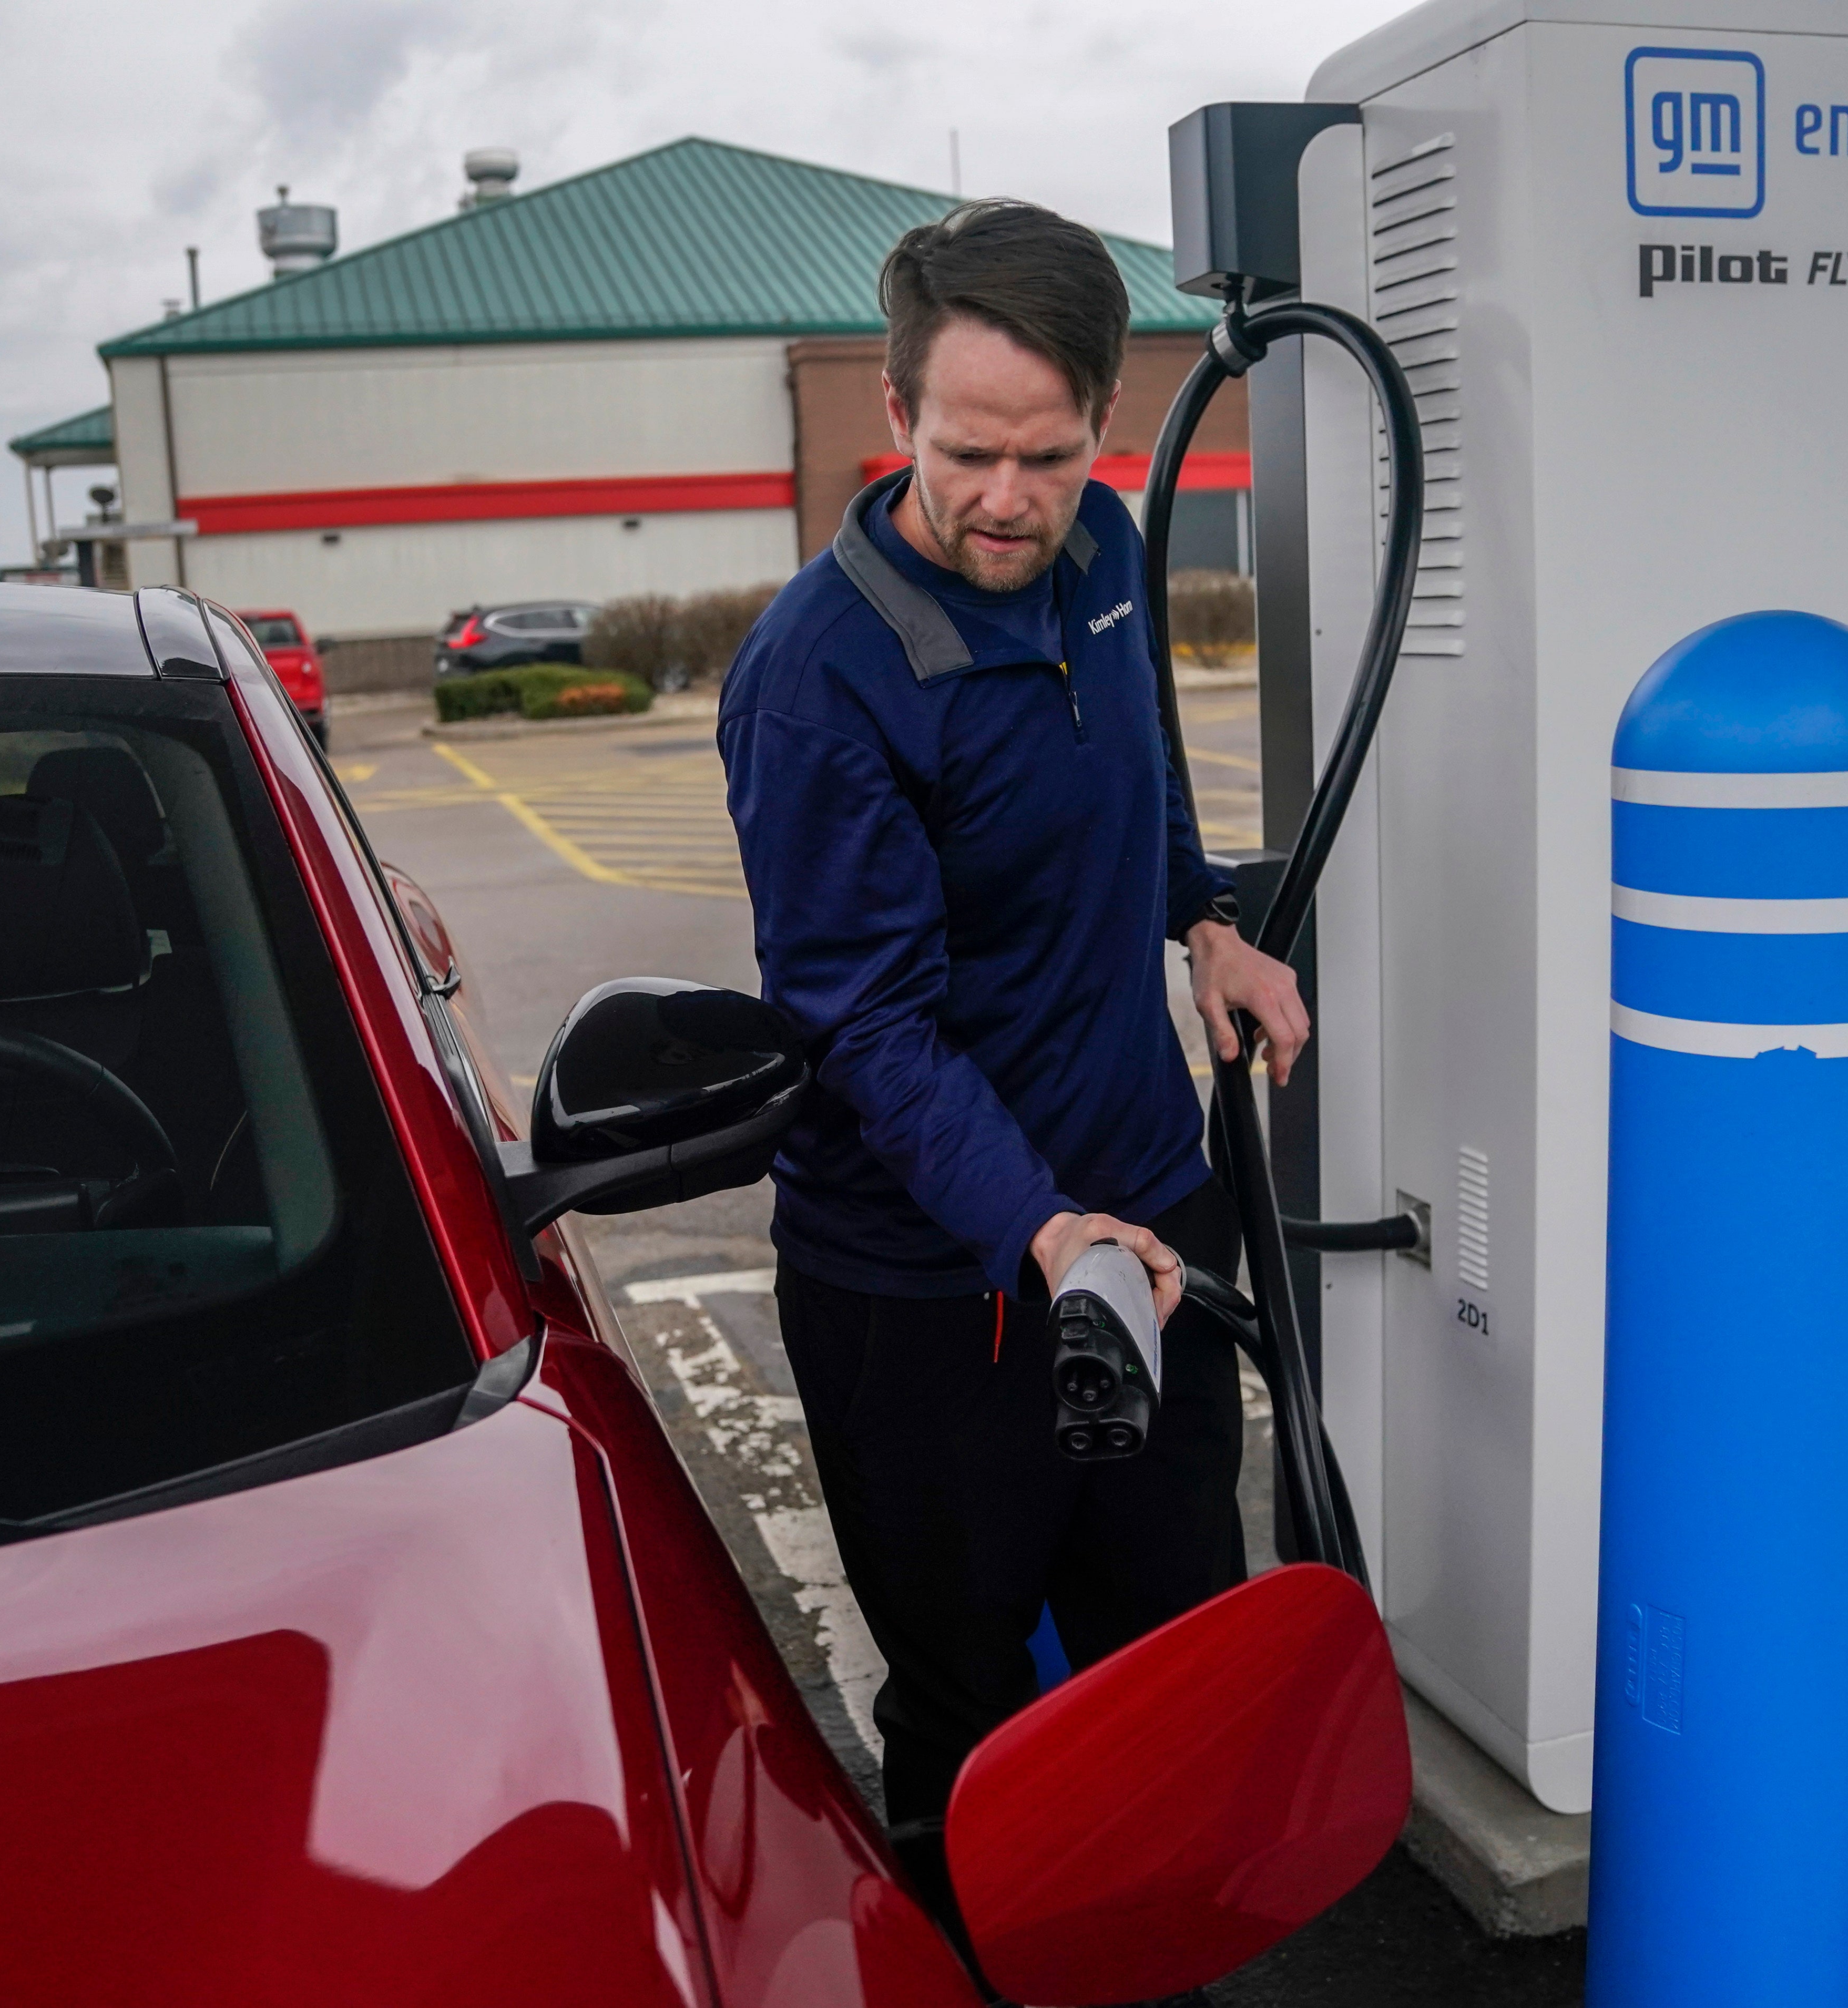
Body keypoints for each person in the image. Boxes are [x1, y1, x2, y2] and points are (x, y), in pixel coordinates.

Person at [718, 202, 1312, 1887]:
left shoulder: (1105, 553)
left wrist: (1203, 921)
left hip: (1144, 1217)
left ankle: (1148, 1957)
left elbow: (1144, 757)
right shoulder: (817, 682)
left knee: (1164, 1647)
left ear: (1101, 432)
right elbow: (867, 1024)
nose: (1005, 499)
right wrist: (1039, 1232)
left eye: (1048, 457)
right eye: (968, 452)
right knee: (971, 1693)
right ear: (896, 416)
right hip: (932, 1291)